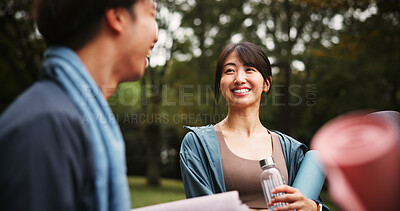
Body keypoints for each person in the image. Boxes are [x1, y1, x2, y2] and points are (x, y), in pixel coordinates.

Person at [0, 0, 158, 210]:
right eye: (150, 14)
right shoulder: (44, 127)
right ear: (117, 17)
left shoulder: (62, 118)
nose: (156, 36)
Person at [179, 42, 328, 211]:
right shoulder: (197, 144)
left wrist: (314, 208)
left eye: (249, 69)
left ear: (267, 83)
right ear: (220, 84)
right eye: (229, 71)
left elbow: (309, 202)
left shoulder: (291, 150)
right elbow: (201, 207)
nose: (239, 79)